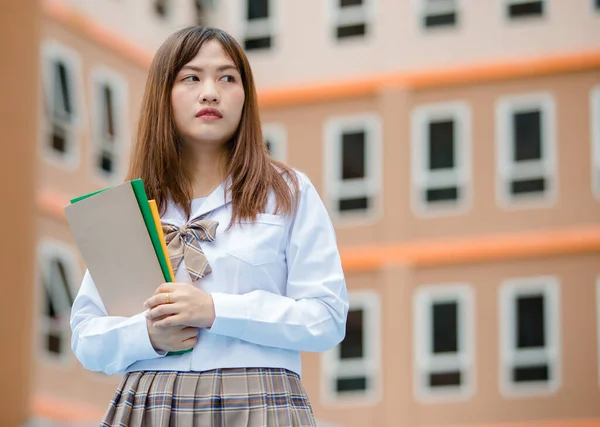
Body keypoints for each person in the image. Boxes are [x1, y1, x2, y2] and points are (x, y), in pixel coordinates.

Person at [69, 26, 349, 427]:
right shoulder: (127, 207)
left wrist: (215, 310)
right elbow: (86, 336)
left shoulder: (287, 192)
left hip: (259, 402)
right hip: (150, 403)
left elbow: (325, 318)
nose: (210, 92)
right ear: (163, 94)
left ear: (245, 96)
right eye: (191, 77)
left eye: (227, 77)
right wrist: (146, 335)